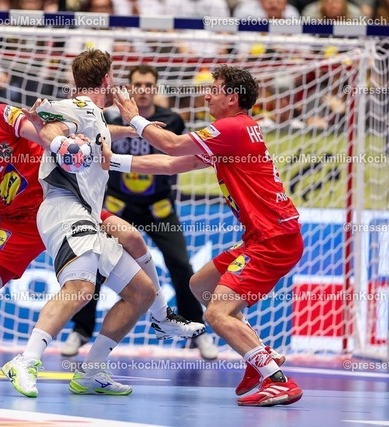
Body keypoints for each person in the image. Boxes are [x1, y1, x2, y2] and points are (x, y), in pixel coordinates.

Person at [0, 92, 201, 390]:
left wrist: (81, 141)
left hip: (60, 203)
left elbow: (46, 133)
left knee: (131, 236)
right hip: (18, 225)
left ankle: (161, 316)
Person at [1, 49, 205, 398]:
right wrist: (62, 142)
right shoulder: (76, 107)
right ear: (107, 79)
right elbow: (50, 127)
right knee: (81, 288)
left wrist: (128, 128)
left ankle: (92, 369)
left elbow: (97, 129)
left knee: (141, 292)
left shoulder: (92, 114)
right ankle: (25, 360)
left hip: (88, 214)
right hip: (65, 209)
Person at [107, 64, 303, 407]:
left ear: (232, 97)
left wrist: (134, 118)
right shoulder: (234, 133)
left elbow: (171, 144)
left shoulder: (232, 127)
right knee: (200, 285)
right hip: (264, 236)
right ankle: (260, 356)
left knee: (216, 315)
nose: (207, 96)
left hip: (273, 240)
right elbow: (171, 164)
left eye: (215, 89)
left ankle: (277, 379)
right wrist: (112, 161)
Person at [62, 65, 218, 360]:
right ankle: (81, 330)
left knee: (180, 265)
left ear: (155, 88)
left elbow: (175, 160)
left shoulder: (171, 120)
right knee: (95, 265)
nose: (143, 89)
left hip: (159, 208)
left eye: (149, 84)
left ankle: (196, 334)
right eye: (138, 84)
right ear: (130, 88)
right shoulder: (109, 119)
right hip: (118, 206)